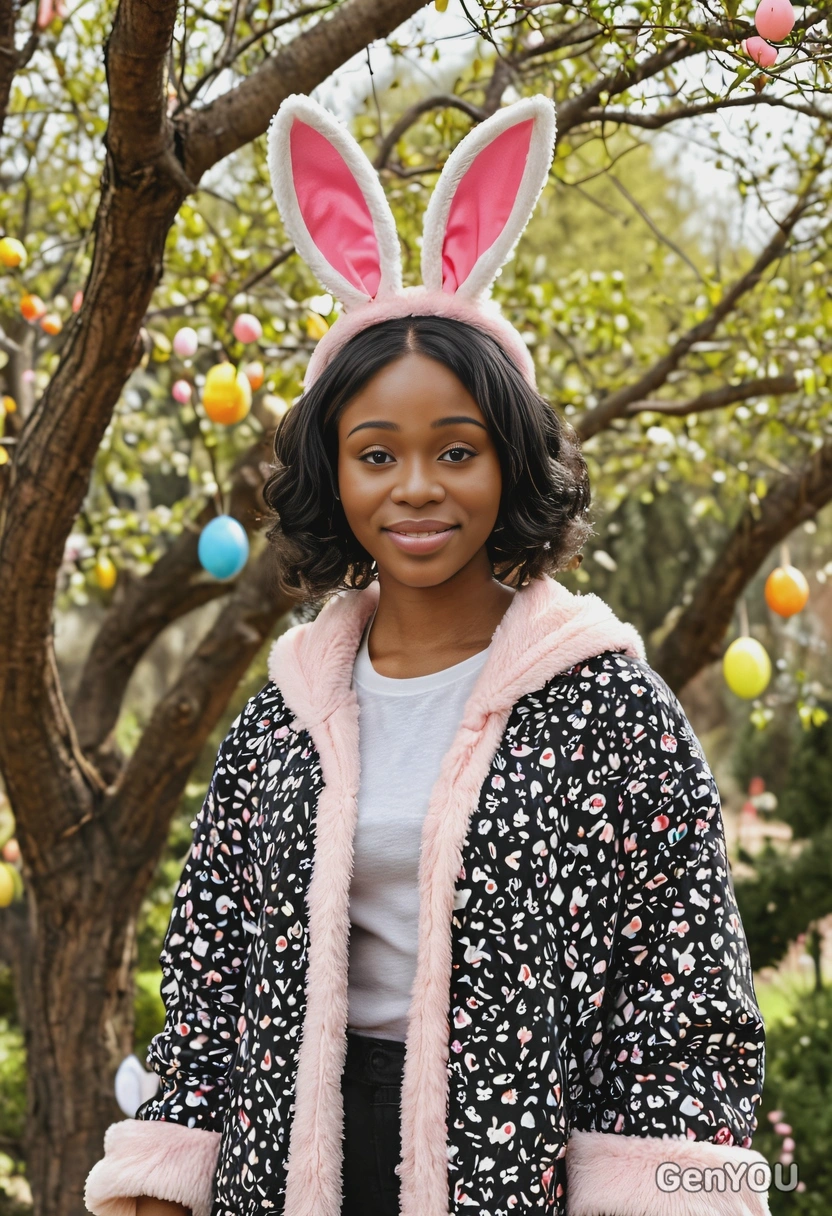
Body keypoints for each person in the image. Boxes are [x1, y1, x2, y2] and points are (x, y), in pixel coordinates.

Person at [86, 92, 770, 1216]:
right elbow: (211, 983)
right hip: (287, 1169)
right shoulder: (283, 717)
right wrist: (161, 1181)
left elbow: (684, 996)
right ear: (334, 470)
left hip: (513, 1169)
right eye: (376, 454)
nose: (415, 488)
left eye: (457, 451)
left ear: (510, 463)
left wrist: (663, 1188)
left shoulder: (610, 706)